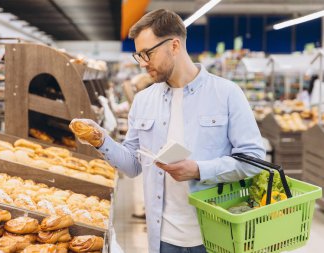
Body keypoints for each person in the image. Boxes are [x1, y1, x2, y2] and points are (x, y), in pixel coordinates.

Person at [71, 9, 265, 253]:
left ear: (174, 45)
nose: (142, 63)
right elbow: (132, 166)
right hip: (162, 239)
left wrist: (198, 170)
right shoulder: (143, 101)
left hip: (216, 236)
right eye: (138, 55)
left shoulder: (227, 94)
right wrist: (101, 140)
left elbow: (255, 161)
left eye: (147, 54)